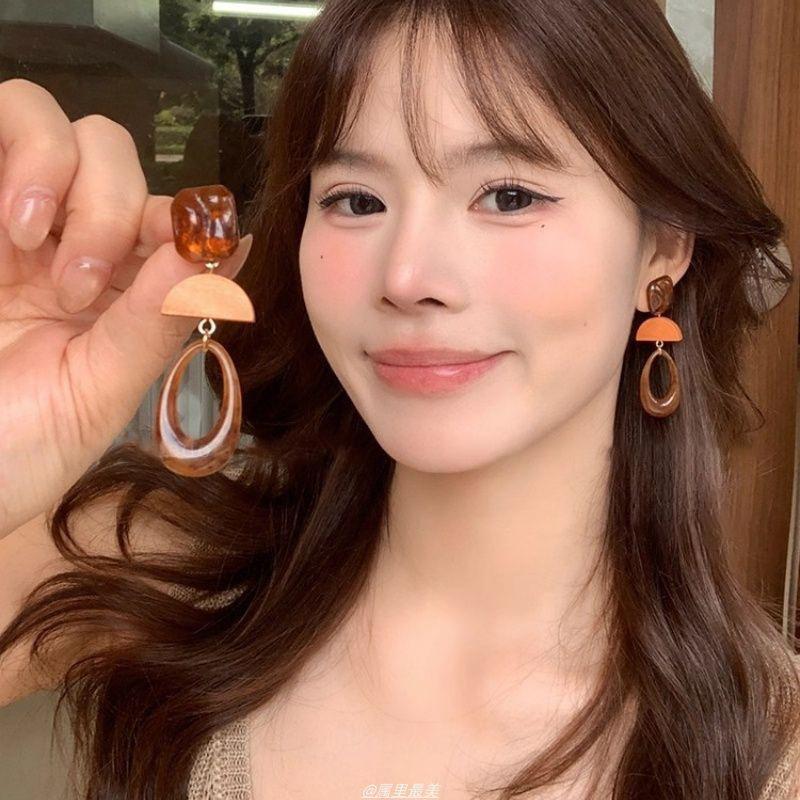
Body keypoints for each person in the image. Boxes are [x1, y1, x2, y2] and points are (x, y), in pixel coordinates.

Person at [0, 1, 798, 798]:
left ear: (662, 244)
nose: (408, 277)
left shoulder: (770, 752)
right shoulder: (152, 563)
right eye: (356, 200)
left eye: (509, 196)